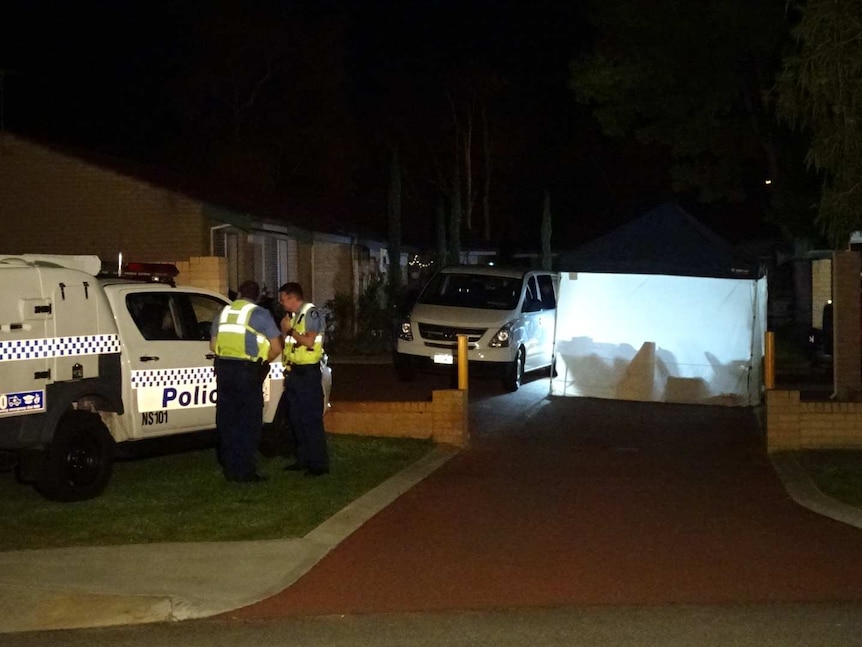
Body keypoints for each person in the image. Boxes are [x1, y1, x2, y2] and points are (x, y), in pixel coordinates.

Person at [210, 280, 283, 483]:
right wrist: (262, 361)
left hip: (224, 370)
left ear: (239, 293)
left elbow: (213, 345)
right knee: (249, 422)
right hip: (247, 371)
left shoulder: (223, 313)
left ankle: (230, 468)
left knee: (228, 420)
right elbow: (277, 347)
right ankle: (245, 471)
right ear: (257, 296)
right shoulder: (260, 314)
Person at [278, 281, 329, 476]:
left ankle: (318, 464)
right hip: (294, 372)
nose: (282, 303)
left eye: (284, 299)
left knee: (310, 418)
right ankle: (303, 458)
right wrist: (286, 331)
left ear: (292, 298)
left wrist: (289, 330)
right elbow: (289, 344)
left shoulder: (311, 313)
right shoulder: (293, 317)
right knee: (296, 418)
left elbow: (308, 341)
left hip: (308, 372)